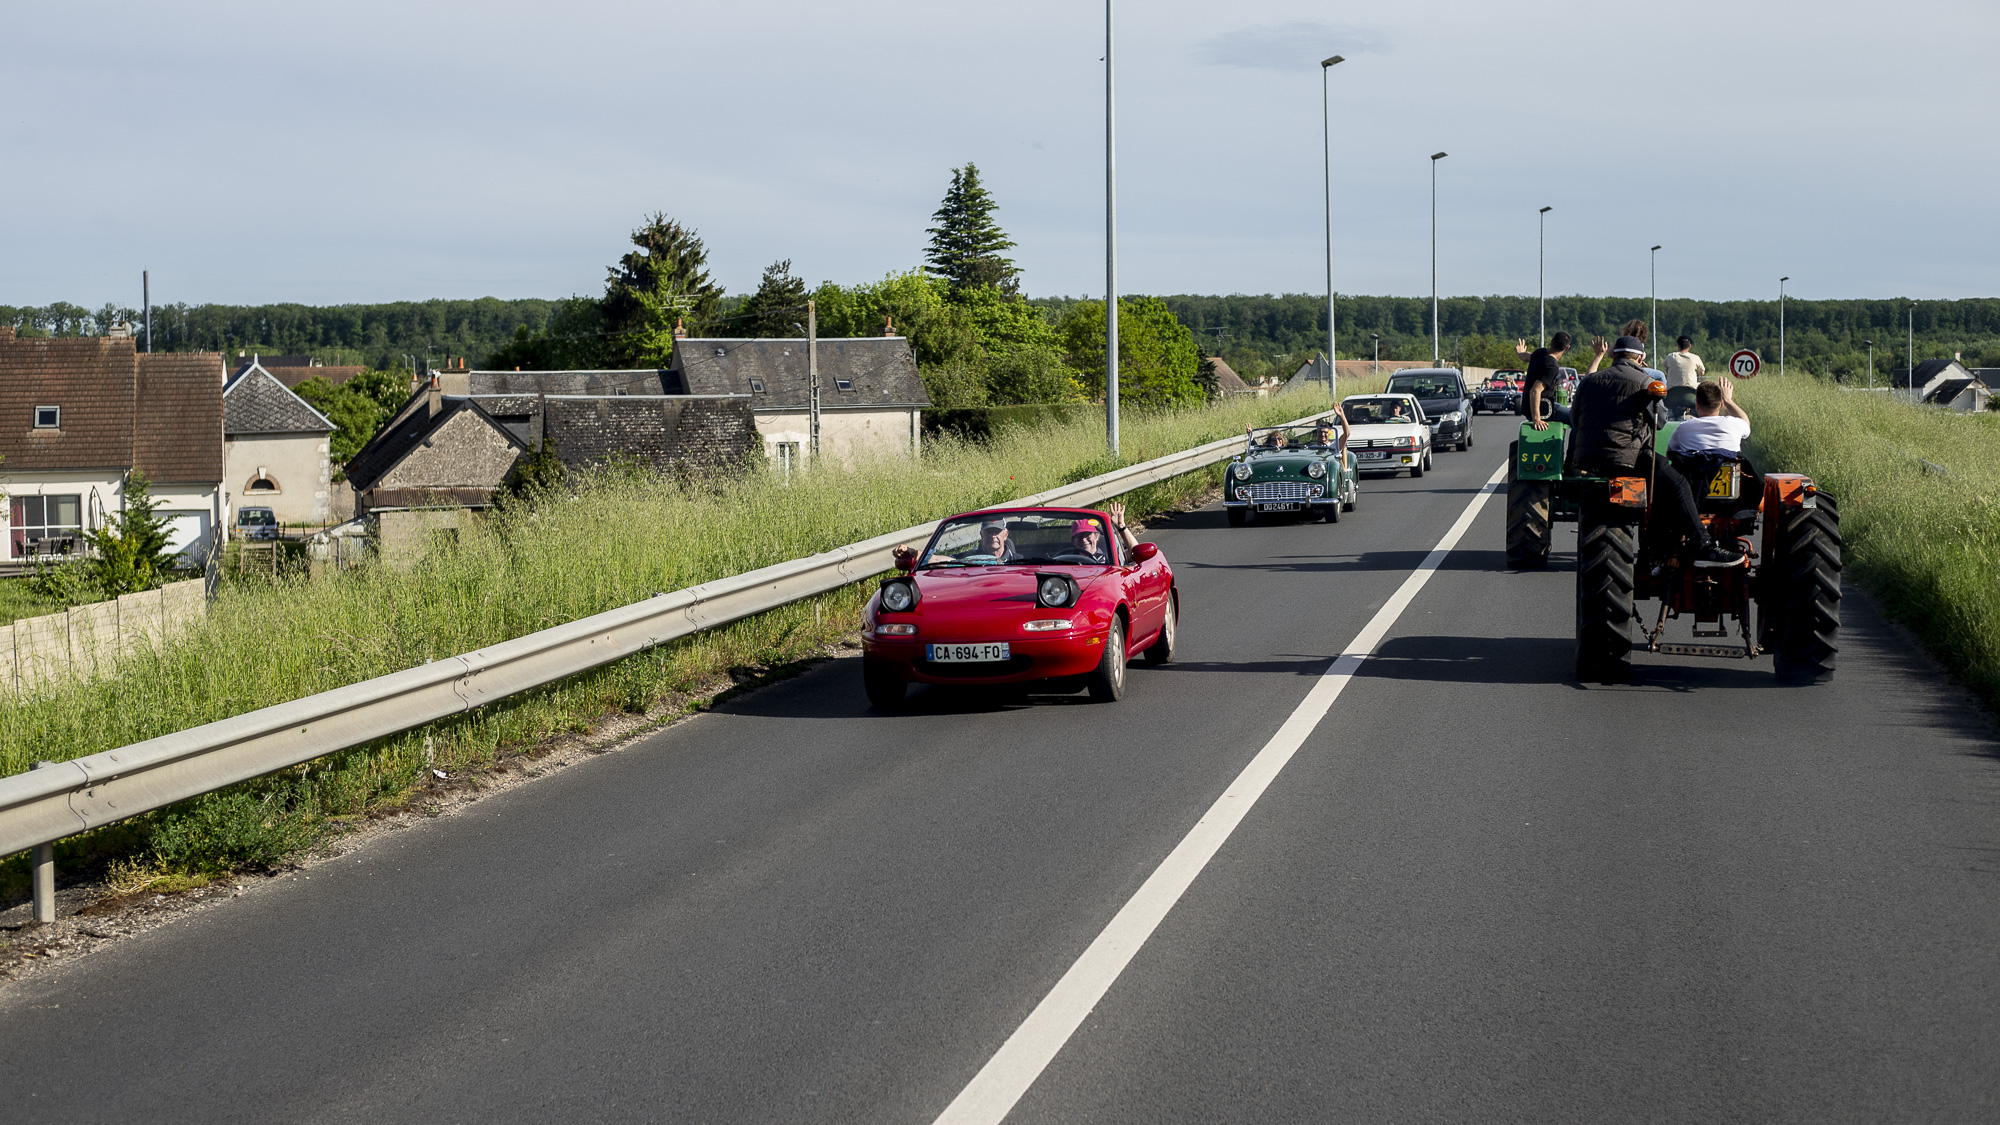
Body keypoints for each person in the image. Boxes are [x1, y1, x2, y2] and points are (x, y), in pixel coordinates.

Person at [1569, 335, 1744, 566]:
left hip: (1588, 459)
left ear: (1613, 355)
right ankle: (1702, 544)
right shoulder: (1645, 382)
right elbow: (1660, 422)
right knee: (1678, 483)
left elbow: (1574, 420)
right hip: (1629, 458)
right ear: (1641, 358)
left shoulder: (1588, 382)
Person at [1518, 331, 1575, 431]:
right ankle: (1573, 447)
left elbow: (1525, 357)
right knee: (1579, 420)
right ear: (1567, 348)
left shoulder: (1540, 353)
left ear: (1552, 341)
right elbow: (1535, 391)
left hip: (1528, 408)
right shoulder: (1552, 366)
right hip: (1544, 410)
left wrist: (1519, 352)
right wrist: (1537, 419)